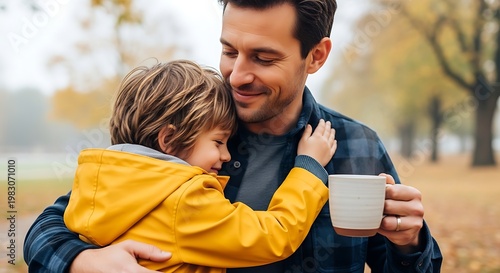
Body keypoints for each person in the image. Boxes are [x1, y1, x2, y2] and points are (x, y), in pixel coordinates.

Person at [24, 1, 443, 272]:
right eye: (229, 51)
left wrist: (410, 243)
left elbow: (416, 268)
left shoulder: (357, 146)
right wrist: (84, 261)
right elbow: (47, 228)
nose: (238, 75)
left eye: (263, 58)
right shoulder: (193, 129)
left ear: (316, 55)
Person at [61, 59, 337, 272]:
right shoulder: (185, 200)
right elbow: (274, 235)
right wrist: (308, 168)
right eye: (218, 142)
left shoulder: (98, 184)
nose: (227, 155)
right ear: (169, 139)